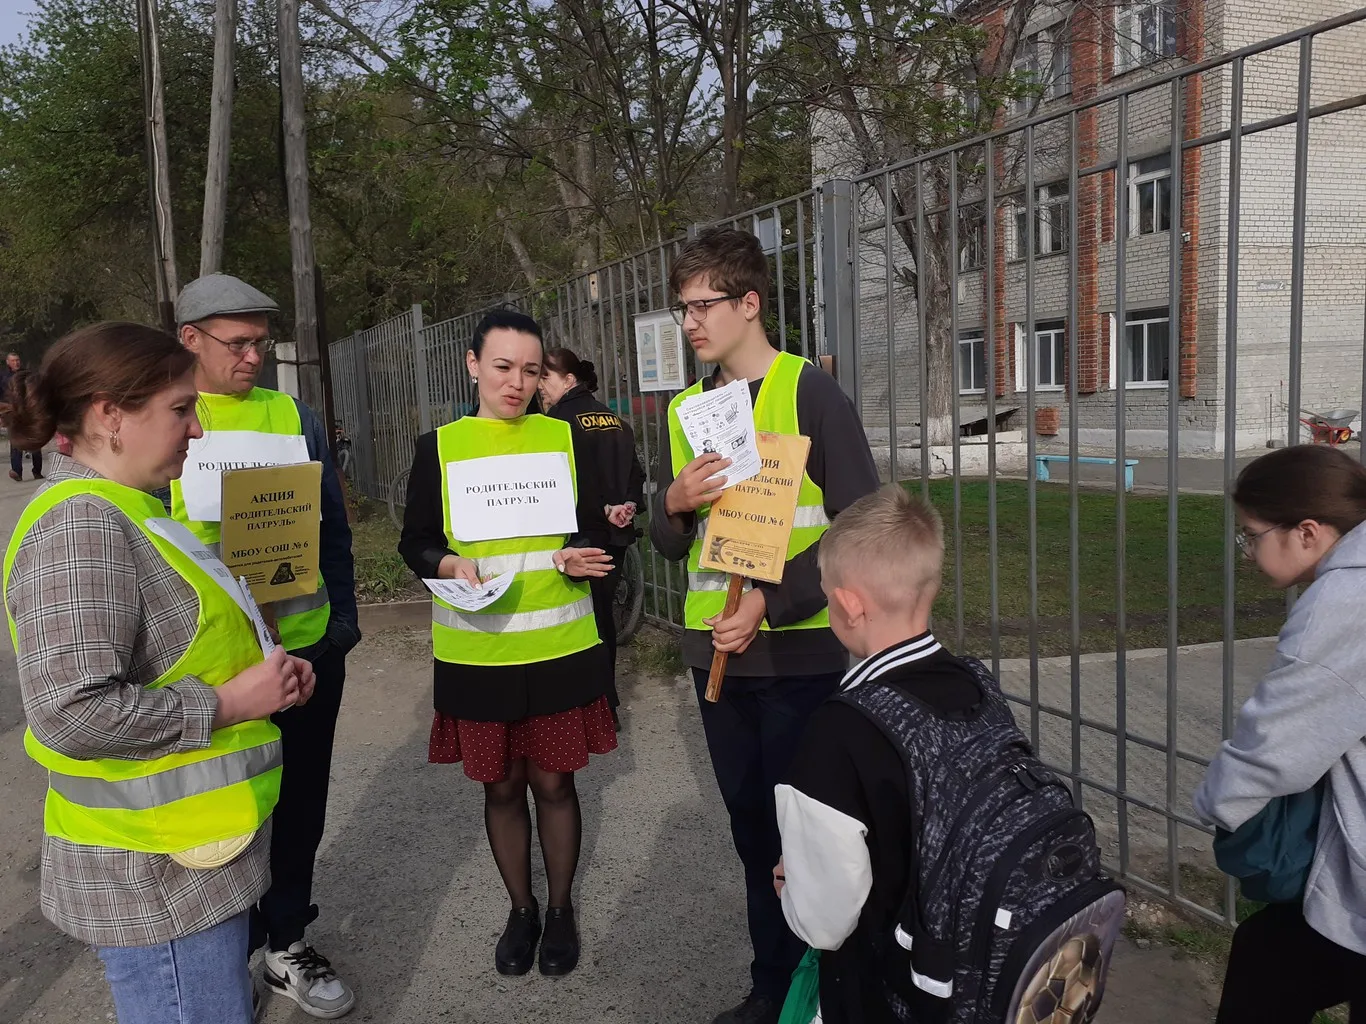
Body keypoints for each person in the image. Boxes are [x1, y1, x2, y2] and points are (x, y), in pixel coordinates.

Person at [3, 322, 314, 1024]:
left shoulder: (135, 510)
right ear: (110, 415)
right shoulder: (82, 525)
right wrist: (229, 703)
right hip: (155, 875)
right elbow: (71, 713)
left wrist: (266, 676)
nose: (197, 430)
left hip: (187, 861)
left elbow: (181, 649)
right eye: (180, 409)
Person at [649, 227, 880, 1024]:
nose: (690, 323)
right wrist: (673, 503)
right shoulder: (688, 408)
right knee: (752, 831)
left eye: (702, 305)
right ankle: (771, 988)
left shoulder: (809, 392)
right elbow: (670, 540)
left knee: (807, 840)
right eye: (682, 309)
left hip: (800, 659)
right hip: (716, 658)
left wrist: (771, 603)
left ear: (750, 303)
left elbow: (862, 524)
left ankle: (831, 994)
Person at [398, 309, 616, 978]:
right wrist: (446, 563)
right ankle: (521, 910)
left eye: (530, 370)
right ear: (473, 365)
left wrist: (582, 551)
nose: (516, 382)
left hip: (559, 647)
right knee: (500, 788)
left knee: (554, 782)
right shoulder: (439, 447)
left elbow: (591, 528)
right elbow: (416, 541)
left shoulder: (563, 437)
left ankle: (561, 911)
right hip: (478, 651)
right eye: (502, 367)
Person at [169, 273, 360, 1018]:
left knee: (300, 805)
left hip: (305, 654)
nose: (254, 357)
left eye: (262, 343)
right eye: (238, 343)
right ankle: (225, 957)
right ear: (190, 338)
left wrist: (340, 629)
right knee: (224, 817)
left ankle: (286, 941)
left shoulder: (292, 415)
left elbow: (332, 527)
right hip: (218, 670)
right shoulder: (169, 417)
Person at [773, 486, 986, 1022]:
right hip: (973, 964)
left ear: (848, 605)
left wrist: (792, 885)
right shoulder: (978, 685)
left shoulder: (837, 731)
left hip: (887, 987)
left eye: (826, 594)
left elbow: (823, 922)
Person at [1195, 444, 1366, 1023]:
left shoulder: (1341, 607)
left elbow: (1273, 747)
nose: (1246, 553)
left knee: (1265, 967)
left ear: (1307, 532)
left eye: (1251, 535)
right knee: (1268, 957)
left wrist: (1216, 805)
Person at [538, 346, 645, 729]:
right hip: (616, 536)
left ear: (568, 379)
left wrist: (601, 508)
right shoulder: (616, 421)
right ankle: (606, 706)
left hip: (577, 537)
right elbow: (635, 474)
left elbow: (566, 483)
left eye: (545, 377)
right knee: (604, 619)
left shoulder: (557, 423)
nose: (539, 386)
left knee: (578, 623)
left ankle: (587, 707)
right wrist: (626, 505)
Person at [2, 351, 44, 481]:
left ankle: (37, 471)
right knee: (15, 441)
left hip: (28, 410)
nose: (16, 363)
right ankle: (17, 471)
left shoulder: (27, 375)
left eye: (17, 360)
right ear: (8, 362)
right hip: (12, 411)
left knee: (34, 438)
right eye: (13, 360)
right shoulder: (3, 377)